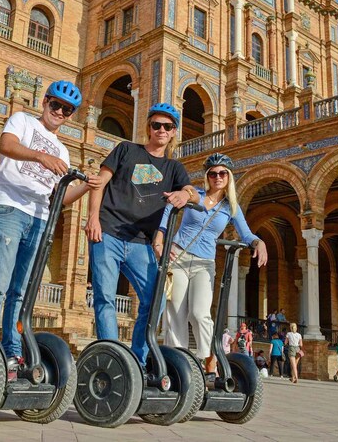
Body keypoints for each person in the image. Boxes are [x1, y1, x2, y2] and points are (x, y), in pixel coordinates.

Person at [0, 80, 100, 378]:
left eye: (67, 110)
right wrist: (40, 156)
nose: (59, 112)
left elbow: (58, 196)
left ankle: (12, 352)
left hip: (40, 217)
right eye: (55, 104)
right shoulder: (22, 121)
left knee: (21, 290)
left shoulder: (63, 150)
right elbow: (6, 146)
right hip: (9, 207)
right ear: (44, 102)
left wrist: (85, 187)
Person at [85, 103, 197, 366]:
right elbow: (100, 182)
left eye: (167, 127)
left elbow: (192, 191)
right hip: (109, 233)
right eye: (156, 125)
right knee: (105, 297)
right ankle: (112, 359)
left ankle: (136, 360)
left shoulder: (174, 168)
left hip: (141, 243)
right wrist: (92, 217)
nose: (161, 130)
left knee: (154, 300)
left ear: (173, 133)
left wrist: (184, 194)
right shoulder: (126, 149)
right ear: (149, 128)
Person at [156, 152, 267, 372]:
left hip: (204, 263)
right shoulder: (194, 193)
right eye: (213, 173)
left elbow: (245, 233)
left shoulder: (230, 207)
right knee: (175, 312)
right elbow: (173, 205)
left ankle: (209, 357)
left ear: (229, 177)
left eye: (223, 173)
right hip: (177, 256)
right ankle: (178, 364)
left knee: (199, 313)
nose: (218, 177)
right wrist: (160, 238)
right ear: (207, 176)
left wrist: (258, 242)